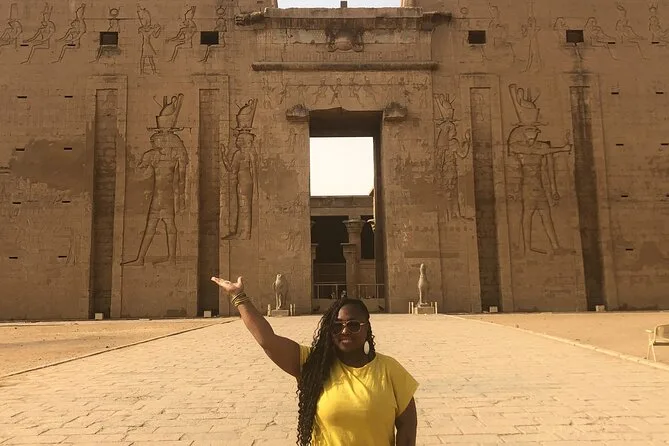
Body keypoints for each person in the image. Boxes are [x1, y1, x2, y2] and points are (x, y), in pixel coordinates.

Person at [211, 276, 419, 446]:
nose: (345, 331)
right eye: (337, 326)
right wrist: (239, 297)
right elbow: (268, 340)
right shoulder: (313, 364)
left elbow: (407, 431)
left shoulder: (390, 370)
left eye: (353, 325)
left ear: (367, 328)